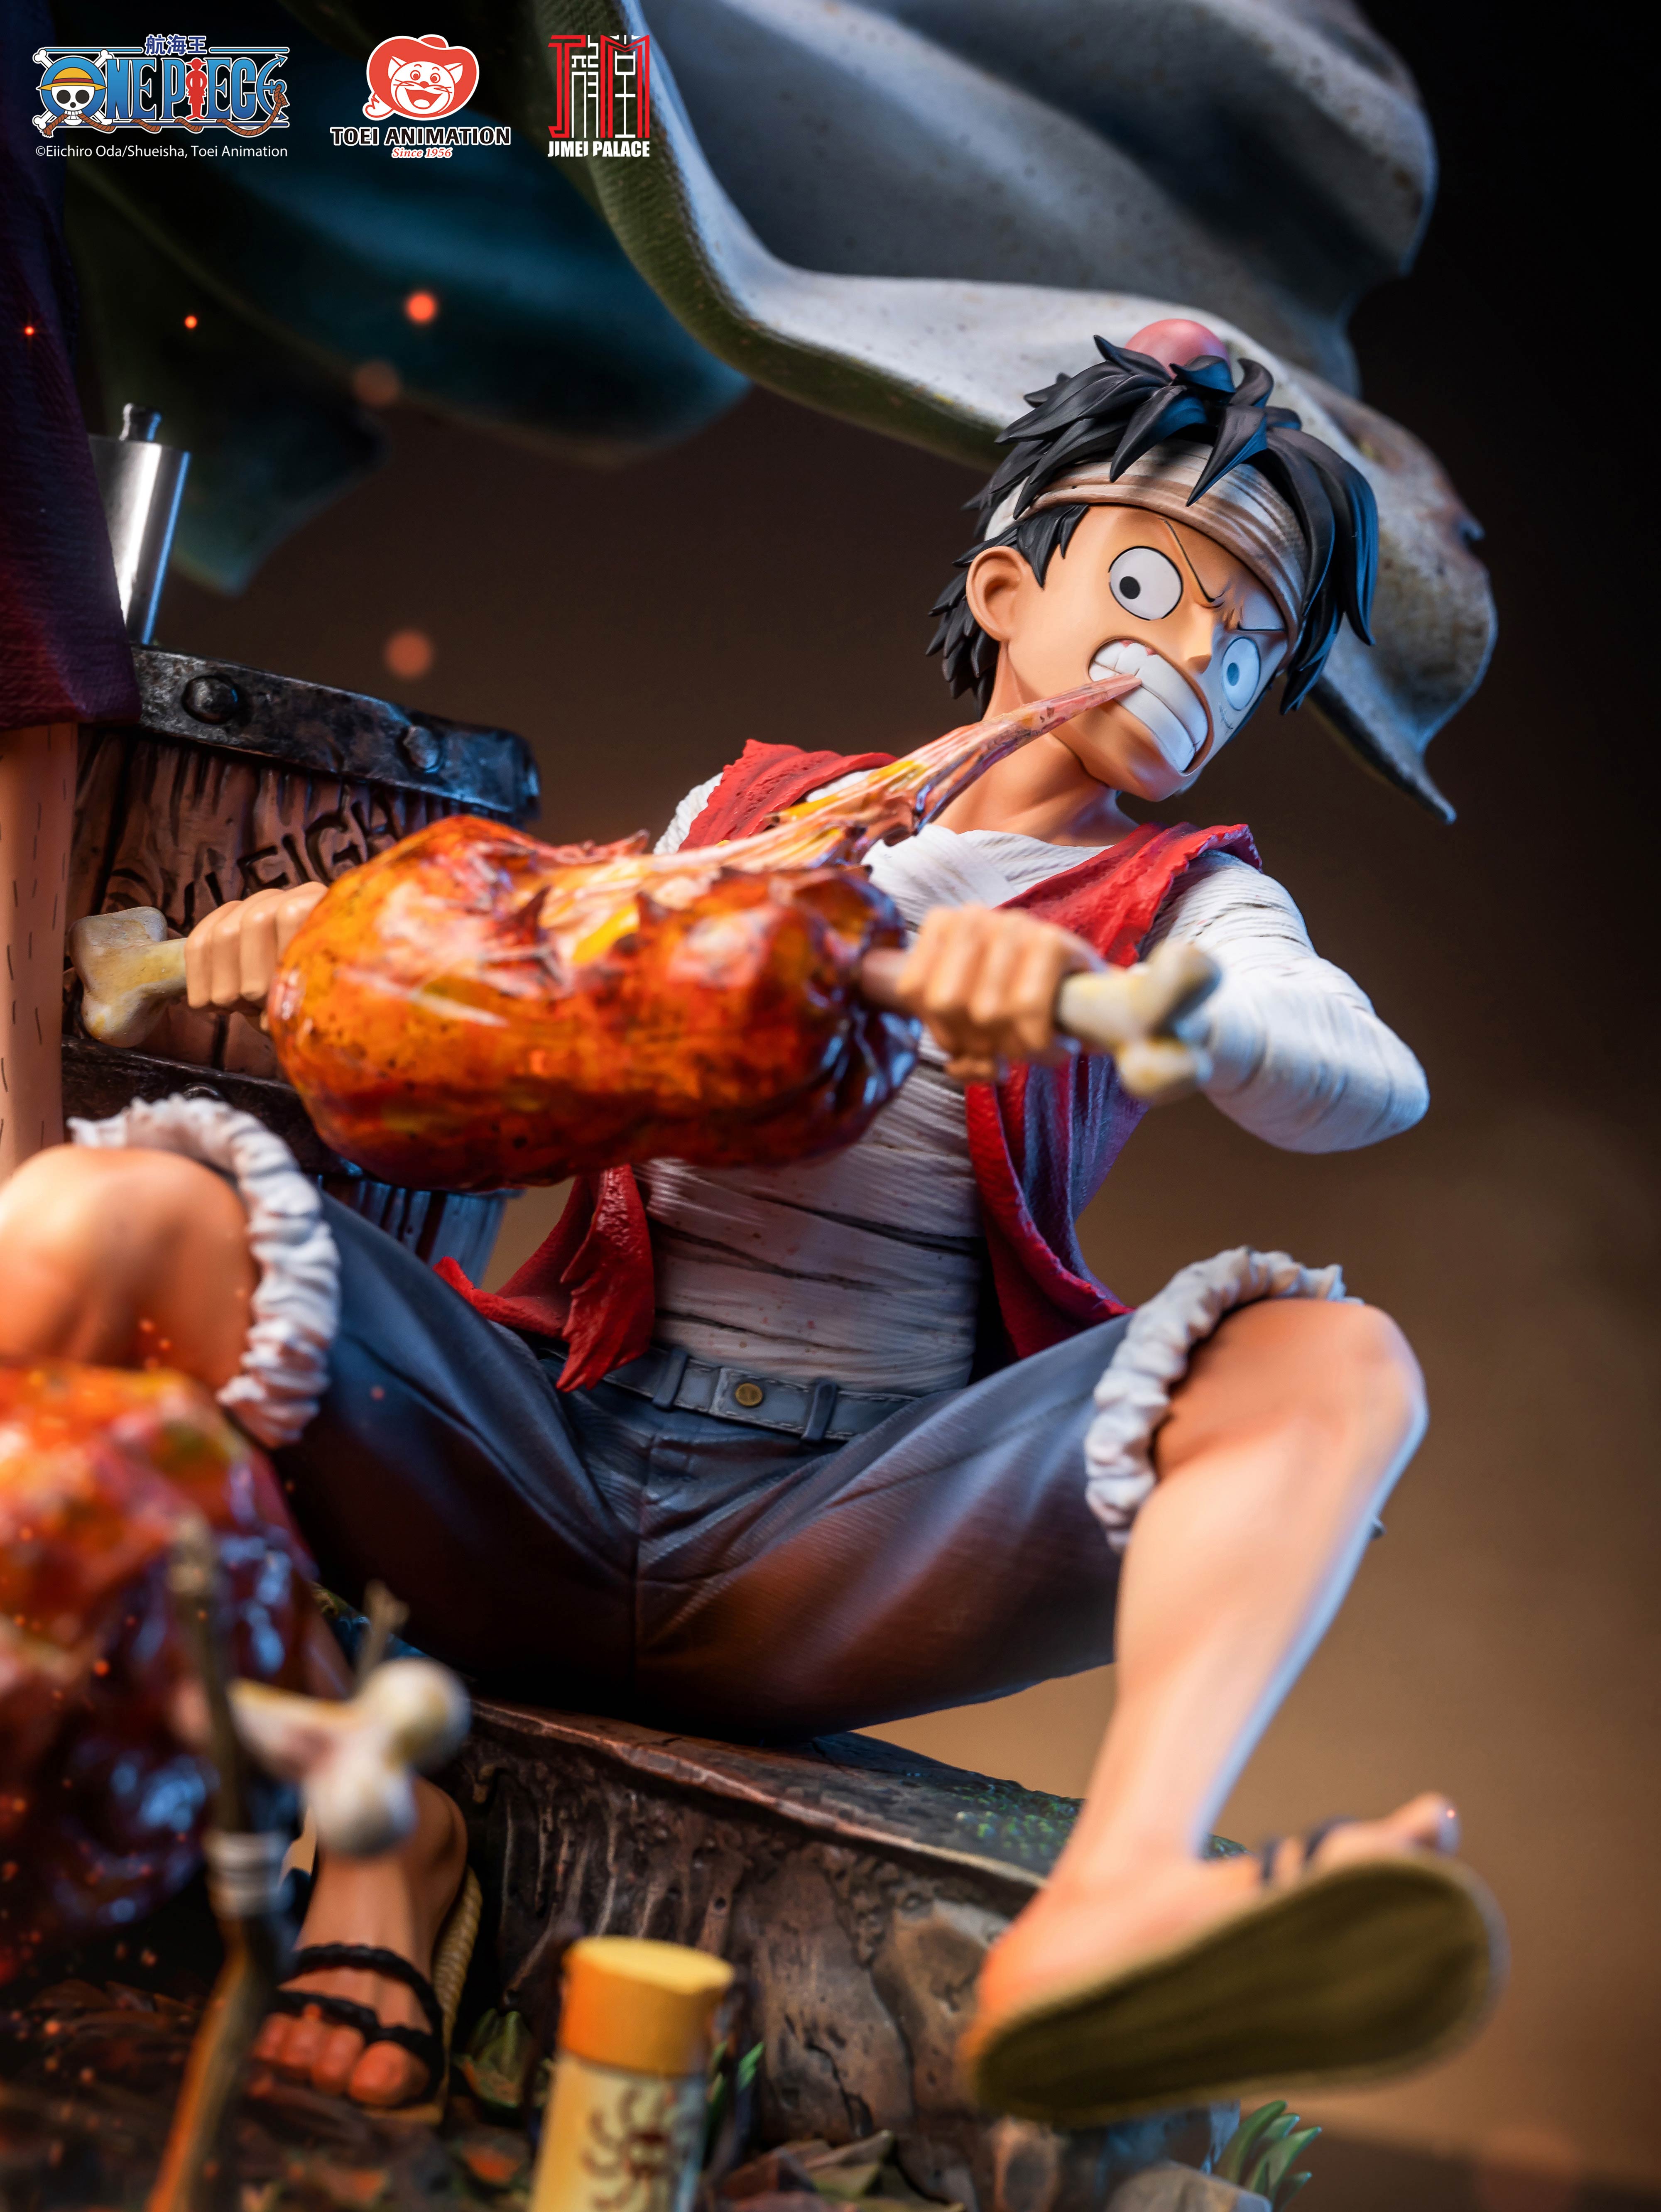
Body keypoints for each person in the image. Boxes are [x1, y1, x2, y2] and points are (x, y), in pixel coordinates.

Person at [0, 323, 1501, 2119]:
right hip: (544, 1461)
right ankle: (373, 1811)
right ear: (1008, 586)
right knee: (98, 1218)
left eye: (1246, 646)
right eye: (1153, 586)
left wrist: (1174, 1011)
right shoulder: (753, 816)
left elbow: (1363, 1069)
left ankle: (1115, 1901)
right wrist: (319, 943)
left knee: (1335, 1362)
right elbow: (555, 942)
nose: (1195, 654)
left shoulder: (1185, 901)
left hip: (845, 1540)